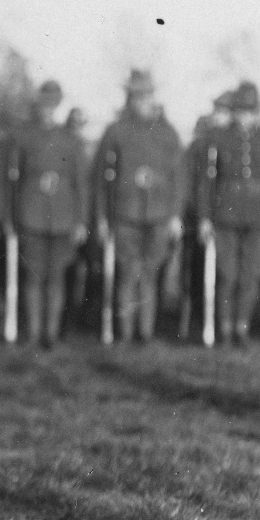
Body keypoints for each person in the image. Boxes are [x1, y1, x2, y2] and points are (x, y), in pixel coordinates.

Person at [92, 70, 186, 344]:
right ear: (130, 99)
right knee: (128, 274)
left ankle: (145, 333)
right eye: (138, 96)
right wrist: (101, 217)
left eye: (148, 95)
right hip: (126, 215)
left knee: (149, 275)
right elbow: (100, 180)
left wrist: (175, 215)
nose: (144, 101)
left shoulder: (168, 134)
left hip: (158, 216)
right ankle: (125, 332)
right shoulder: (115, 132)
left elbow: (178, 178)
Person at [197, 81, 260, 346]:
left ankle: (241, 329)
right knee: (228, 274)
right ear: (234, 111)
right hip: (225, 214)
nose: (245, 116)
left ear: (257, 112)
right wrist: (204, 217)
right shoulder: (217, 139)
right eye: (240, 110)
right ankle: (224, 329)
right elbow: (207, 183)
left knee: (252, 275)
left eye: (250, 110)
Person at [7, 81, 88, 346]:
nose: (48, 111)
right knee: (33, 277)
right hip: (32, 215)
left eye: (53, 106)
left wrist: (80, 221)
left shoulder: (71, 141)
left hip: (63, 218)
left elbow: (80, 184)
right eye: (45, 105)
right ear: (38, 106)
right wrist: (13, 216)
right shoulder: (24, 137)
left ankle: (50, 334)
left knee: (56, 279)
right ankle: (32, 333)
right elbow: (13, 180)